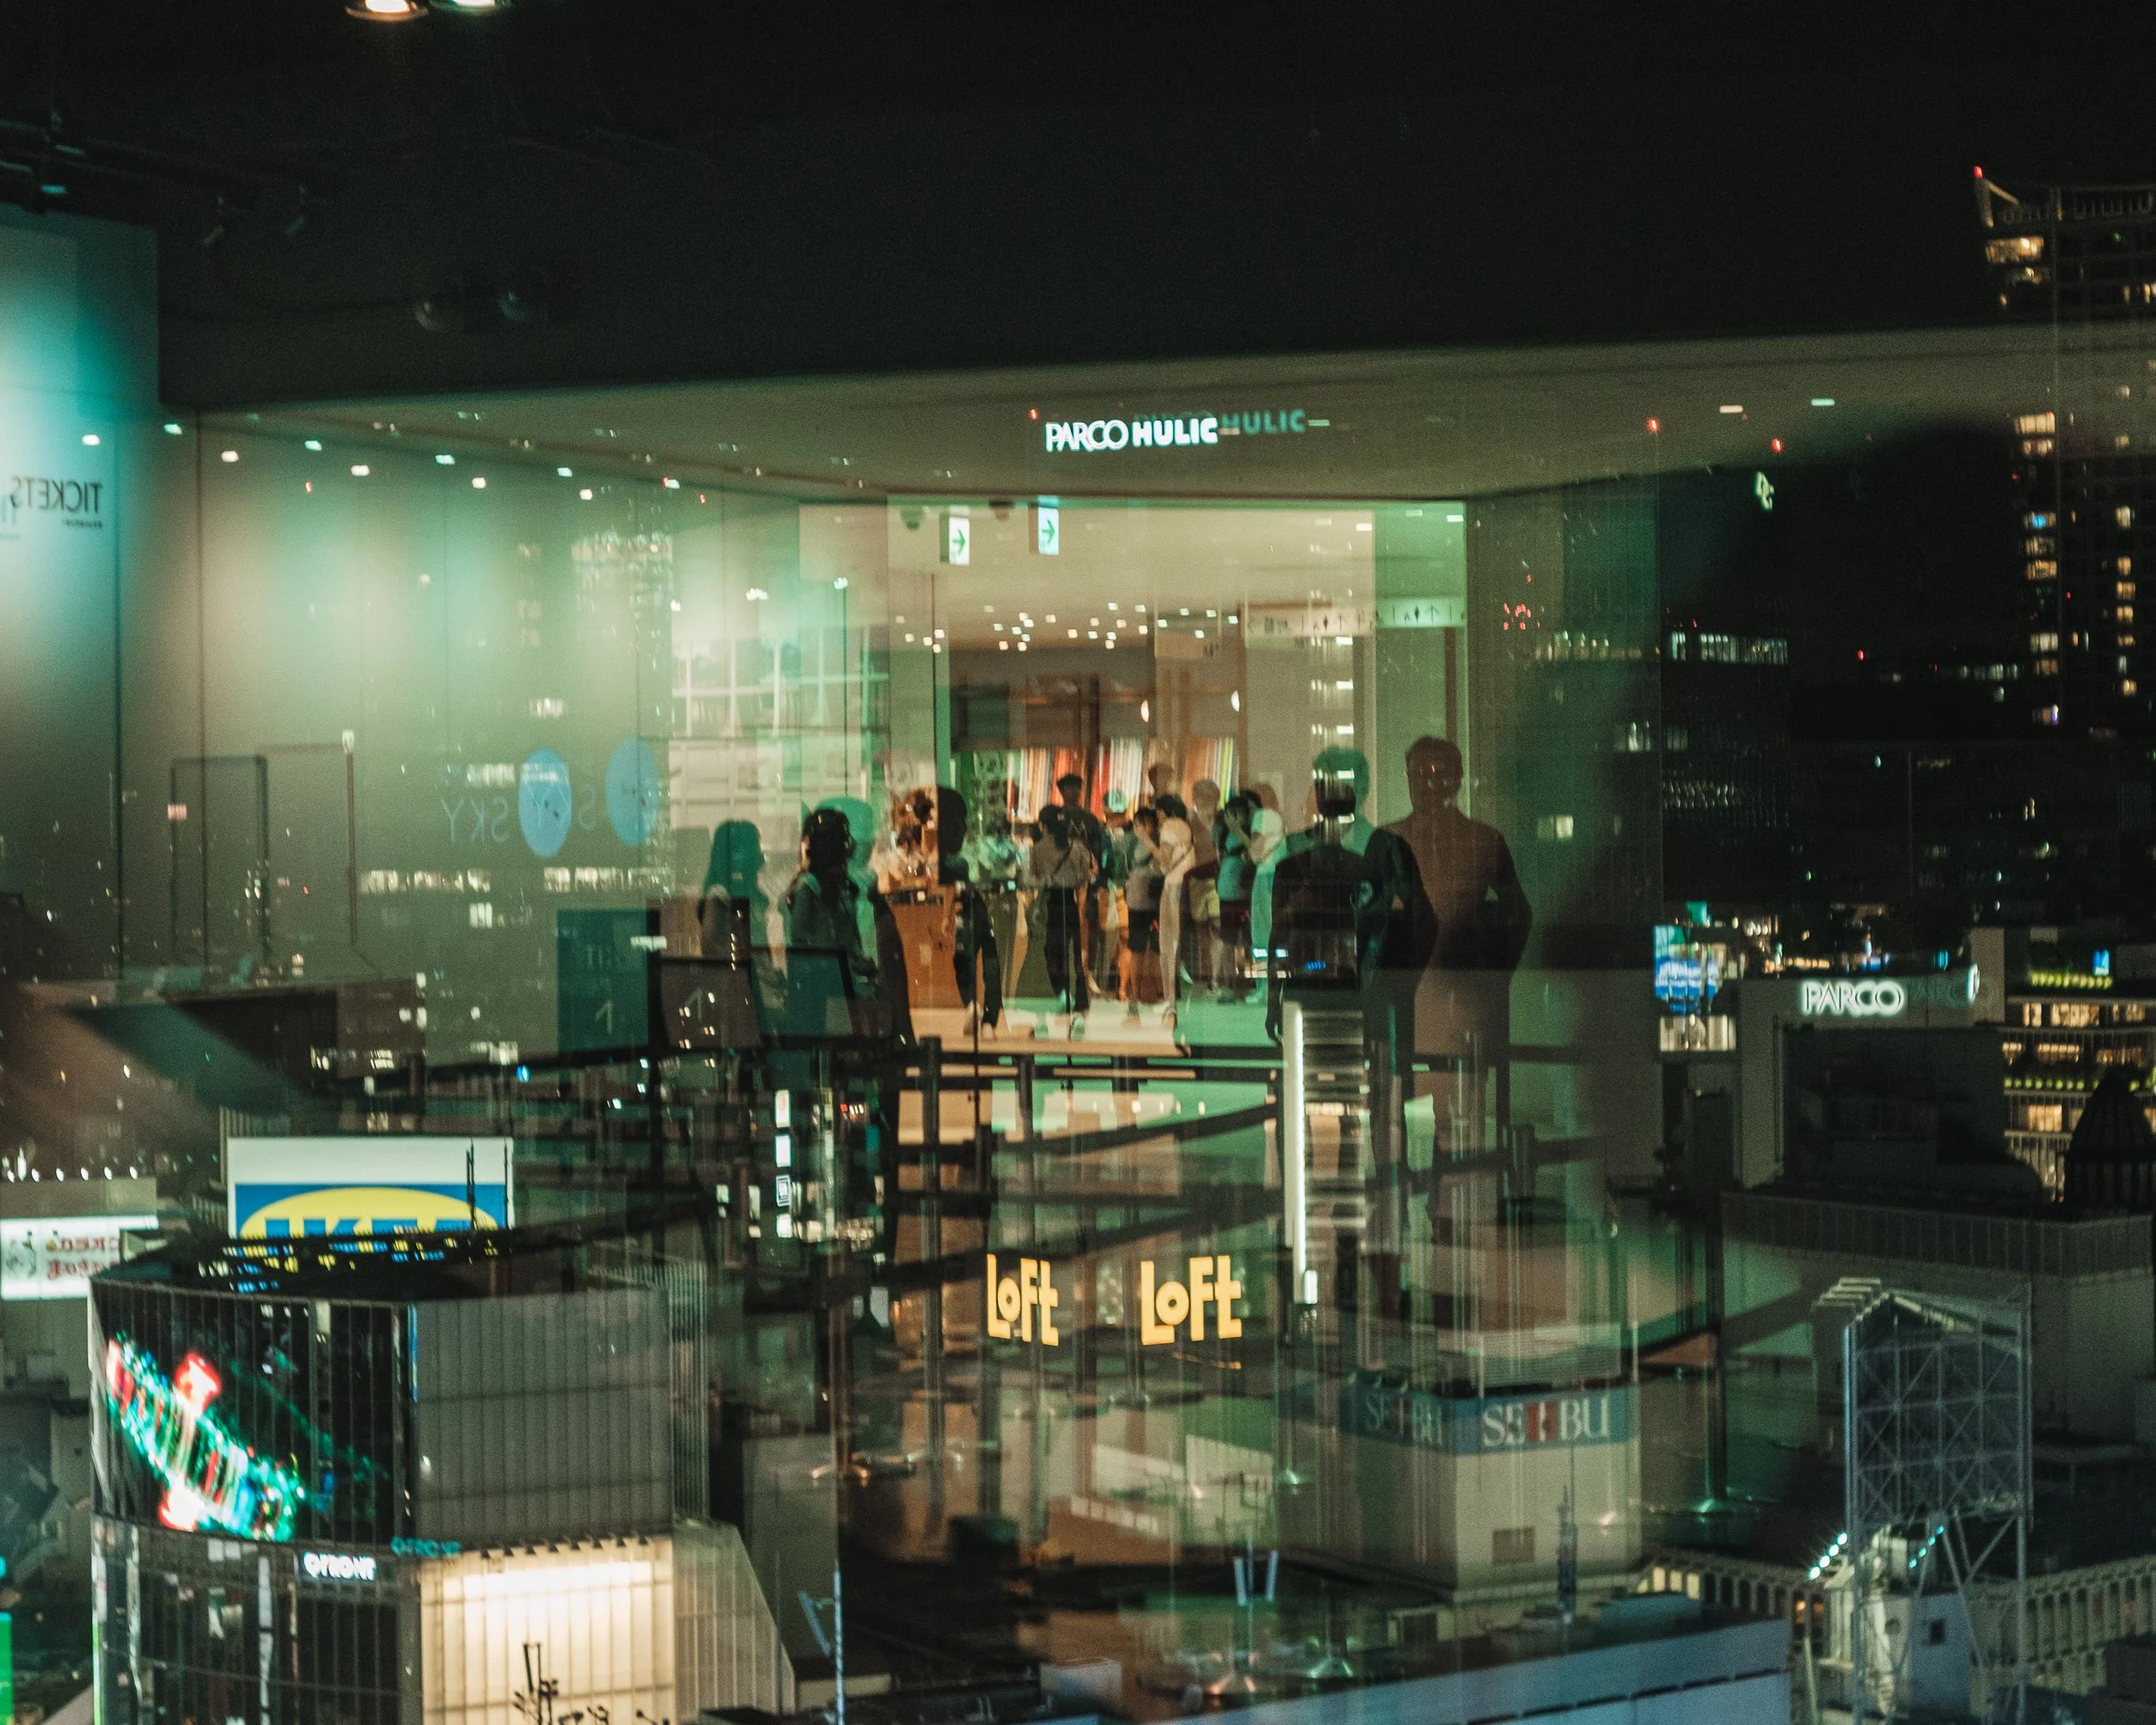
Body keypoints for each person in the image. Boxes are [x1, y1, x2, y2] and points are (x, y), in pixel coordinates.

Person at [1382, 736, 1532, 1145]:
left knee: (1459, 1121)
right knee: (1393, 1118)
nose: (1431, 784)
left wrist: (1491, 978)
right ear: (1408, 778)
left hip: (1458, 998)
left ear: (1459, 779)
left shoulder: (1483, 840)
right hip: (1408, 997)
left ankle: (1449, 1179)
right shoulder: (1391, 840)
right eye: (1421, 774)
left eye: (1441, 773)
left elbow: (1518, 914)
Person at [1029, 785, 1099, 1018]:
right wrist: (1081, 907)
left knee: (1053, 952)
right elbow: (1084, 879)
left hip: (1050, 904)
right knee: (1075, 953)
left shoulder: (1037, 850)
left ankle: (1062, 992)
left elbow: (1033, 878)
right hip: (1071, 903)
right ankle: (1081, 999)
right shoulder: (1077, 847)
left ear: (1043, 825)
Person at [1152, 793, 1195, 1022]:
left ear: (1162, 812)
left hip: (1172, 886)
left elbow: (1165, 862)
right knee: (1177, 943)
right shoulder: (1186, 827)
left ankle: (1170, 1001)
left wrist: (1147, 841)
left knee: (1168, 945)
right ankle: (1173, 1000)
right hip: (1185, 885)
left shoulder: (1168, 826)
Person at [1120, 806, 1163, 1019]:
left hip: (1156, 901)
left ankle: (1154, 991)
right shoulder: (1130, 843)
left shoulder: (1159, 842)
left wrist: (1147, 840)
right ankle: (1135, 992)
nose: (1141, 828)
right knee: (1136, 948)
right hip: (1136, 902)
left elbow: (1163, 863)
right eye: (1138, 824)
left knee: (1156, 948)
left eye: (1145, 824)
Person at [1188, 779, 1222, 991]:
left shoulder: (1222, 819)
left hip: (1216, 879)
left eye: (1208, 799)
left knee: (1217, 925)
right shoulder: (1190, 820)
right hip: (1196, 879)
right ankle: (1208, 973)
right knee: (1201, 928)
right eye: (1200, 798)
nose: (1203, 802)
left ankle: (1215, 977)